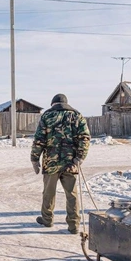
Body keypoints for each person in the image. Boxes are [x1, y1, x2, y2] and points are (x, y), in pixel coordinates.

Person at [30, 93, 90, 234]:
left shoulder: (47, 116)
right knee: (72, 194)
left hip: (51, 162)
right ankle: (74, 225)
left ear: (53, 104)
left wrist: (34, 159)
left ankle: (47, 219)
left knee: (48, 193)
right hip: (71, 162)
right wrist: (79, 158)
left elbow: (39, 139)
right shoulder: (77, 116)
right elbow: (85, 138)